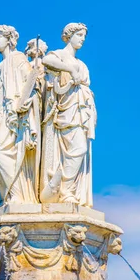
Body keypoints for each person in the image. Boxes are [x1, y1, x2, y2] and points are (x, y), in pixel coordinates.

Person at [39, 23, 96, 207]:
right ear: (69, 35)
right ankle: (65, 191)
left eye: (84, 36)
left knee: (80, 149)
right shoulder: (60, 55)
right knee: (74, 149)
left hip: (81, 110)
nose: (82, 39)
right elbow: (46, 61)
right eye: (79, 35)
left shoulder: (83, 65)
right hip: (66, 110)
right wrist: (69, 70)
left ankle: (69, 191)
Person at [0, 25, 40, 205]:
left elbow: (30, 83)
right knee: (0, 151)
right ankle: (6, 196)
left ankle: (17, 195)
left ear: (9, 39)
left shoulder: (18, 59)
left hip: (11, 112)